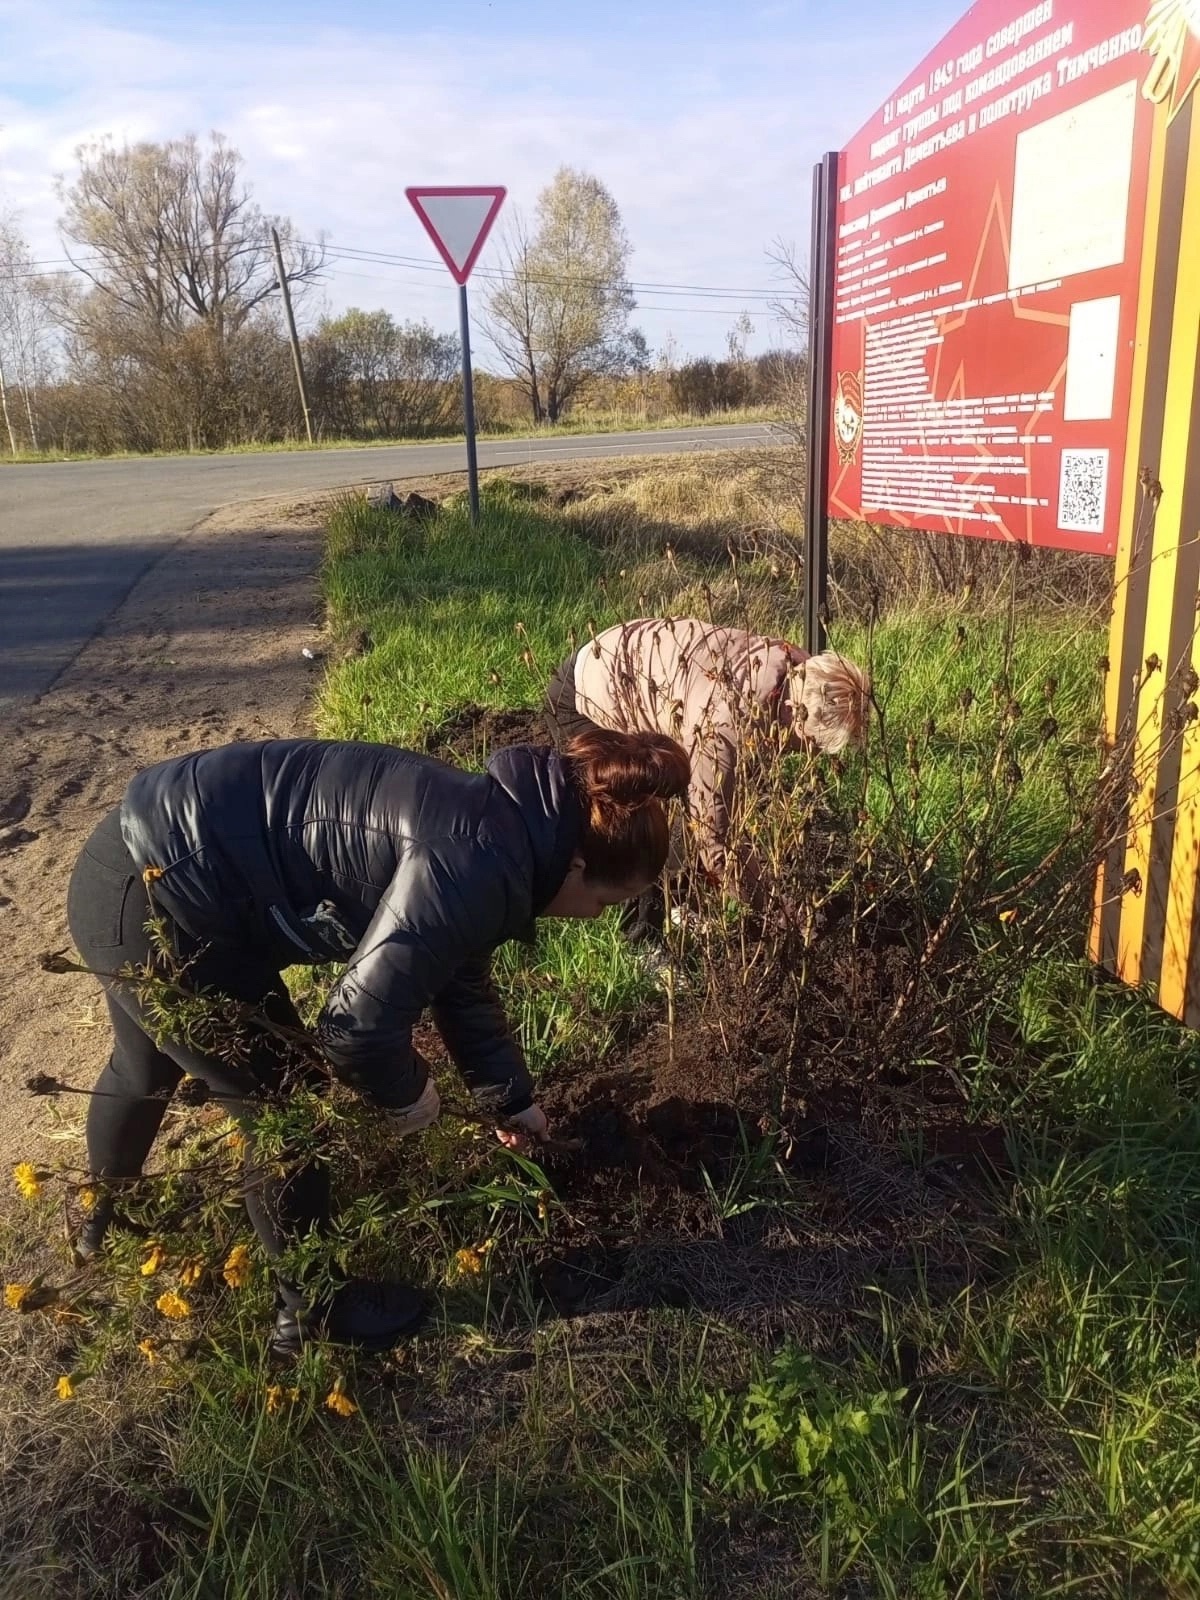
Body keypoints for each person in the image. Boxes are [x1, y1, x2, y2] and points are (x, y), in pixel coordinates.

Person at [66, 727, 689, 1355]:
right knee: (289, 1110)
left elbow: (458, 976)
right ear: (579, 866)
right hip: (157, 895)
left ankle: (99, 1217)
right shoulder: (479, 861)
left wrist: (510, 1099)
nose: (602, 916)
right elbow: (353, 1029)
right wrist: (410, 1095)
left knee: (145, 1062)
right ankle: (311, 1315)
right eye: (612, 900)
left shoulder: (503, 828)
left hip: (128, 867)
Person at [544, 618, 869, 930]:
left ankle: (682, 906)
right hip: (581, 699)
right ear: (800, 725)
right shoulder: (724, 726)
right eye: (815, 747)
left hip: (621, 657)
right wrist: (780, 910)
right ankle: (645, 941)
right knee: (646, 823)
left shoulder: (797, 667)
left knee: (693, 800)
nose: (810, 756)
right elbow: (716, 843)